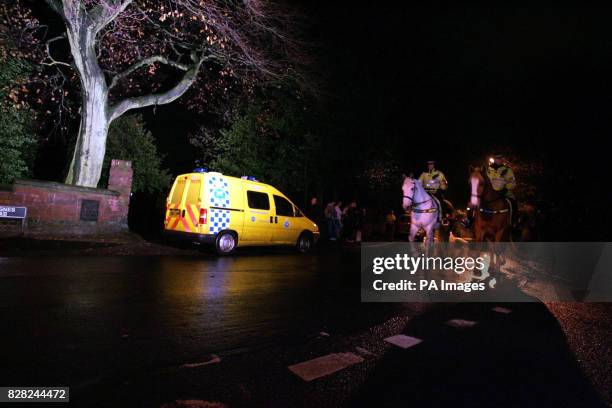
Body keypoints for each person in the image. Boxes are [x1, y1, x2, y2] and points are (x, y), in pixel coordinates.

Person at [487, 154, 518, 227]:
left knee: (513, 204)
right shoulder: (488, 170)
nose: (499, 160)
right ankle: (470, 221)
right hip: (490, 194)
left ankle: (512, 223)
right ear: (494, 159)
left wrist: (506, 189)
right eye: (497, 158)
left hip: (505, 194)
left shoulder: (507, 170)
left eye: (500, 158)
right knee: (475, 203)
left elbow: (512, 182)